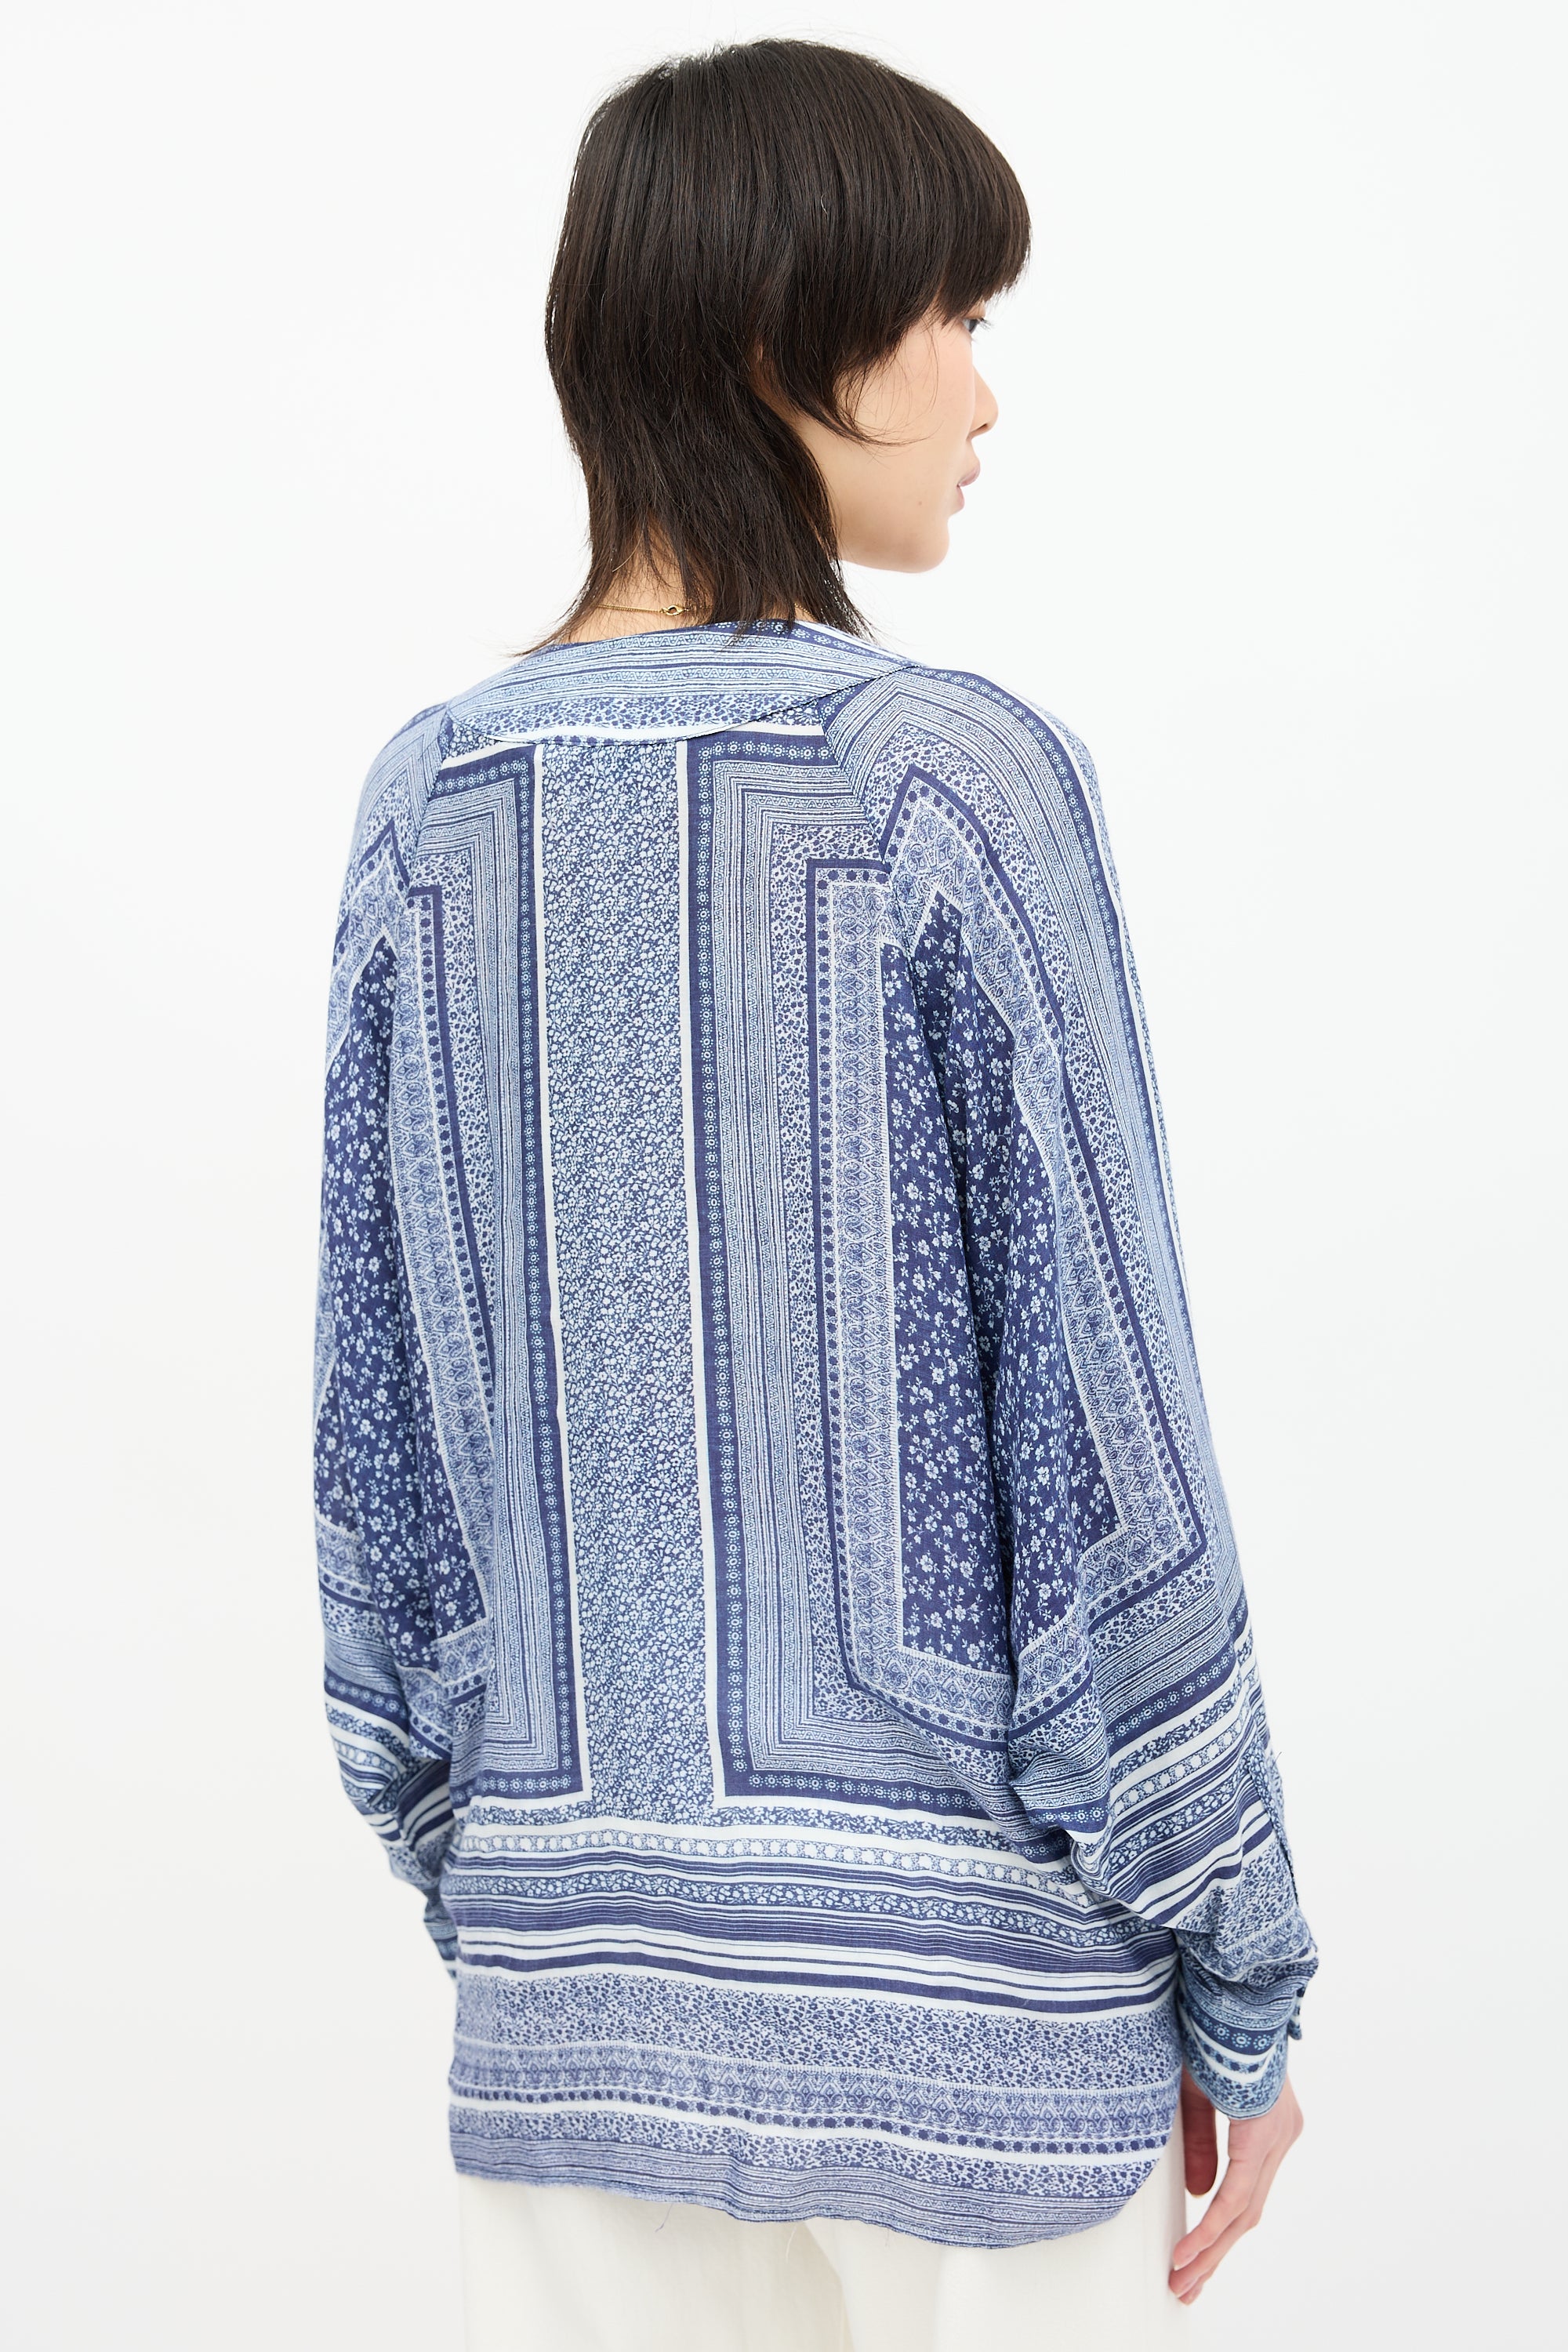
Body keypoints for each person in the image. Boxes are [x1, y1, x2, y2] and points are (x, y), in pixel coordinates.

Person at [313, 38, 1316, 2350]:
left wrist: (526, 1887)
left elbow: (381, 1486)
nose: (985, 394)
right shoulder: (949, 784)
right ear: (788, 339)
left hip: (579, 2025)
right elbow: (1111, 1459)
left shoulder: (424, 807)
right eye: (953, 315)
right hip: (978, 2036)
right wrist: (1242, 1974)